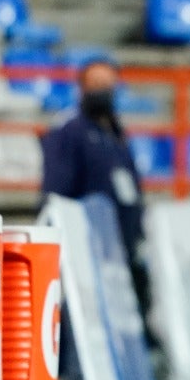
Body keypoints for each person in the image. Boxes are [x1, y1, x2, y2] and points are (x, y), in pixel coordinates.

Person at [40, 58, 151, 333]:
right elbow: (56, 191)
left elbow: (130, 186)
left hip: (121, 244)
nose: (103, 91)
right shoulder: (71, 133)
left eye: (108, 85)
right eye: (96, 85)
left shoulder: (116, 133)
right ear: (82, 89)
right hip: (87, 244)